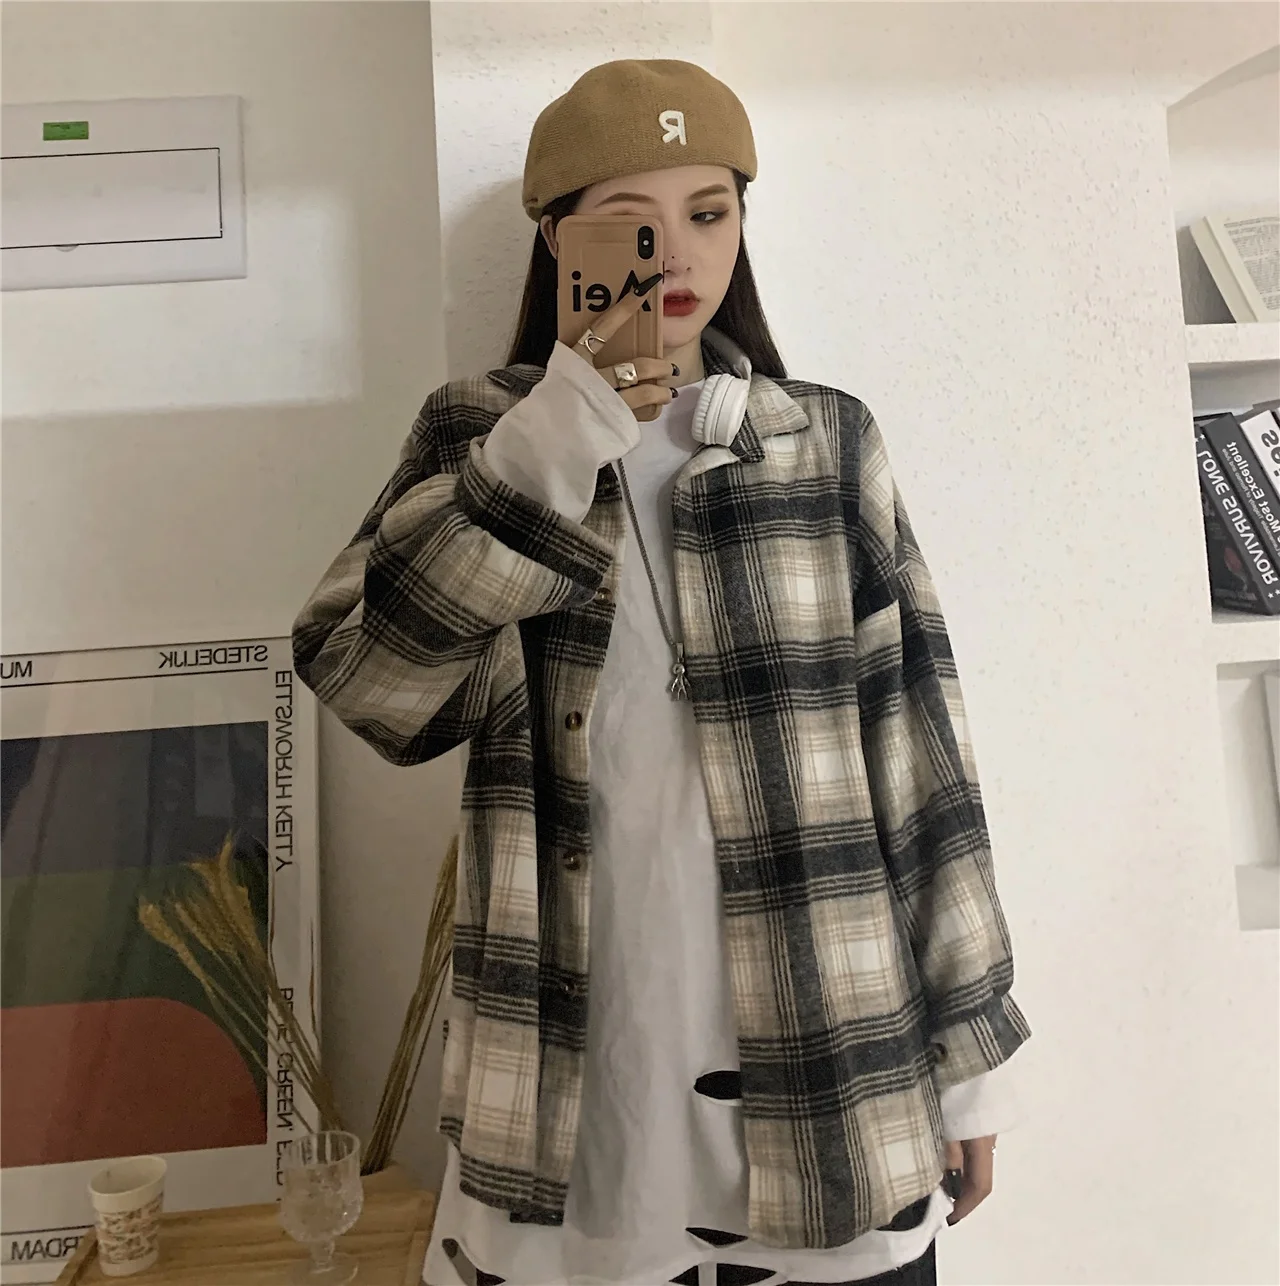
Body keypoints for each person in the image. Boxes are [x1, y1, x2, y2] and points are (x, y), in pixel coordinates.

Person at [293, 59, 1029, 1286]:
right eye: (629, 221)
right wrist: (540, 455)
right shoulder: (480, 438)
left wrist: (970, 1059)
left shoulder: (822, 439)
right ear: (557, 238)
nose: (675, 252)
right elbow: (373, 686)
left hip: (834, 1058)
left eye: (707, 210)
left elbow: (919, 756)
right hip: (572, 1075)